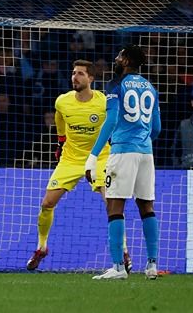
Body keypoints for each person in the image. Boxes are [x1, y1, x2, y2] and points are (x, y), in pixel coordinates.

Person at [26, 60, 130, 272]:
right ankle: (41, 247)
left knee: (111, 204)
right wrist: (61, 143)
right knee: (47, 203)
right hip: (71, 159)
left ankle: (124, 251)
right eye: (73, 73)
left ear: (91, 79)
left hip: (101, 158)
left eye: (80, 73)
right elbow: (60, 123)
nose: (75, 77)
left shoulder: (103, 102)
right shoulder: (62, 102)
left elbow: (118, 123)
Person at [85, 45, 161, 280]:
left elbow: (112, 120)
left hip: (122, 152)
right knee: (146, 207)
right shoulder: (150, 87)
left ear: (126, 60)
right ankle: (152, 266)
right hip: (146, 153)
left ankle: (118, 267)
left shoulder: (116, 84)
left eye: (119, 55)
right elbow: (156, 128)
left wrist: (94, 155)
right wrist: (141, 139)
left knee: (115, 207)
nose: (116, 59)